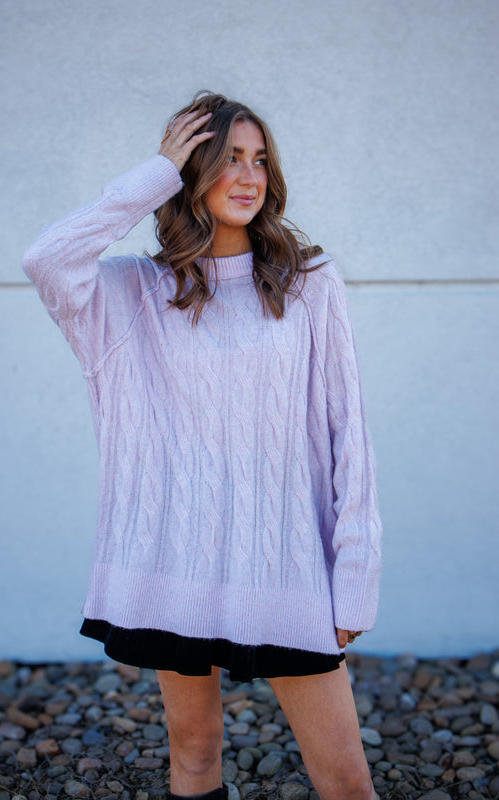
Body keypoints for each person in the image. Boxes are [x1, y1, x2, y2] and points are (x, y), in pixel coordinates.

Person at [23, 91, 382, 800]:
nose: (247, 177)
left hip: (285, 572)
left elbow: (350, 437)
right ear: (189, 175)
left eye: (258, 160)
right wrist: (154, 171)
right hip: (173, 570)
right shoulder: (132, 295)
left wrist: (355, 575)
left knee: (344, 779)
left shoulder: (308, 283)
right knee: (193, 749)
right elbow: (47, 256)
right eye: (224, 161)